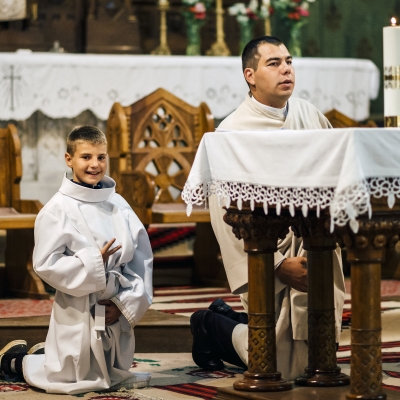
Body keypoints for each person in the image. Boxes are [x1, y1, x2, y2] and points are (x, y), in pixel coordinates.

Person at [190, 36, 345, 379]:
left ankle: (228, 319)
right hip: (267, 253)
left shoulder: (309, 114)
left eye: (289, 61)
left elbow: (337, 178)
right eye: (273, 63)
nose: (286, 69)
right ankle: (211, 324)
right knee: (279, 365)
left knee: (318, 357)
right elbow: (225, 217)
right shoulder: (230, 133)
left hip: (316, 246)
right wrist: (276, 265)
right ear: (250, 75)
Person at [0, 125, 153, 394]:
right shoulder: (56, 209)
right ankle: (15, 361)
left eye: (101, 157)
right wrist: (94, 262)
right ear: (69, 159)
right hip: (79, 304)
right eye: (86, 157)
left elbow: (142, 262)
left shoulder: (119, 205)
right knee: (67, 375)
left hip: (113, 301)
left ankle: (44, 354)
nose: (95, 164)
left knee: (112, 366)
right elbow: (45, 264)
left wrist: (123, 304)